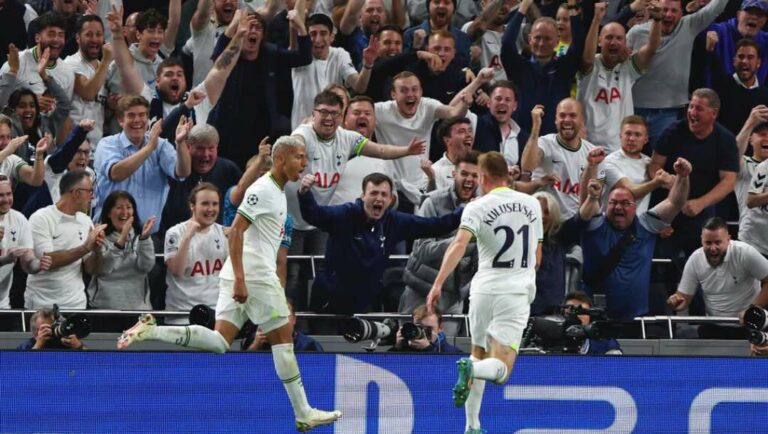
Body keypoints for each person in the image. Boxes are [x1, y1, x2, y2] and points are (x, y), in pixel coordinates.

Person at [117, 136, 342, 432]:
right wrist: (241, 279)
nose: (304, 163)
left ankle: (150, 330)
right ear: (280, 159)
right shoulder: (262, 189)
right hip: (254, 275)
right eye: (299, 157)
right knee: (284, 340)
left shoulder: (276, 191)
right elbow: (236, 232)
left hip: (243, 273)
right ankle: (303, 412)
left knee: (220, 342)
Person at [426, 151, 543, 434]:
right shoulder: (532, 204)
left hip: (483, 290)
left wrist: (438, 283)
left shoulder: (476, 206)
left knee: (478, 353)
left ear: (483, 177)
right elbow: (537, 256)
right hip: (514, 292)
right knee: (500, 370)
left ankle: (472, 426)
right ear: (507, 174)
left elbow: (458, 244)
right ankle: (473, 372)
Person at [299, 171, 463, 314]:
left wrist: (466, 210)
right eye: (374, 193)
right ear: (363, 195)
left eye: (384, 194)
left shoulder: (394, 221)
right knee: (325, 348)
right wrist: (305, 193)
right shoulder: (345, 214)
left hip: (364, 303)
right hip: (329, 301)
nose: (379, 198)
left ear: (391, 199)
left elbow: (435, 225)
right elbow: (314, 215)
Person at [581, 158, 691, 321]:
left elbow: (675, 203)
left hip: (636, 318)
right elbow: (585, 202)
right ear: (606, 205)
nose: (618, 207)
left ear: (635, 207)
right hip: (596, 317)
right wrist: (591, 168)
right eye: (613, 203)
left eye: (625, 203)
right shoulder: (596, 224)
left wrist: (683, 177)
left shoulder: (646, 224)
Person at [647, 88, 738, 257]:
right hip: (668, 205)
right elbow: (654, 165)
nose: (692, 113)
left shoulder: (725, 139)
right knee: (663, 261)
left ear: (714, 113)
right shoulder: (673, 131)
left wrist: (700, 203)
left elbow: (728, 182)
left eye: (699, 109)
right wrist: (663, 178)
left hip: (701, 209)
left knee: (702, 259)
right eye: (691, 107)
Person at [626, 0, 728, 143]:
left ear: (681, 13)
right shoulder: (636, 32)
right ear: (653, 10)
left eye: (674, 11)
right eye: (664, 10)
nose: (668, 14)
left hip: (669, 112)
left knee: (661, 161)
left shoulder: (688, 26)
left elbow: (715, 8)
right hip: (634, 109)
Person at [401, 151, 479, 335]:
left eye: (475, 175)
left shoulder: (483, 207)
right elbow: (422, 250)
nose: (469, 179)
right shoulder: (433, 202)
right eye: (464, 174)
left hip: (453, 297)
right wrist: (462, 242)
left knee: (444, 353)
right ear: (454, 174)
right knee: (409, 345)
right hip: (421, 289)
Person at [93, 95, 191, 234]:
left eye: (142, 115)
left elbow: (183, 172)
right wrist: (149, 148)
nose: (137, 120)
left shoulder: (161, 145)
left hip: (148, 236)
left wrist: (180, 144)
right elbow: (116, 173)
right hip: (109, 235)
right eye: (131, 115)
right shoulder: (107, 144)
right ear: (121, 120)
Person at [578, 1, 661, 152]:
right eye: (609, 37)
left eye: (619, 38)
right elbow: (587, 59)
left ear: (625, 42)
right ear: (600, 41)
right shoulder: (590, 64)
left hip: (619, 150)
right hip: (588, 147)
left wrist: (657, 20)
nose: (614, 42)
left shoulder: (628, 67)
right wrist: (596, 19)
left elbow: (652, 47)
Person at [668, 217, 768, 338]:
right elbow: (683, 298)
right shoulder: (695, 259)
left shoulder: (745, 252)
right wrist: (675, 301)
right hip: (713, 325)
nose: (713, 248)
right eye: (708, 243)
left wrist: (752, 309)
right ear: (702, 241)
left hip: (748, 325)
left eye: (718, 242)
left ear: (728, 239)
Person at [500, 0, 584, 135]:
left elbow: (579, 43)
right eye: (537, 38)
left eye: (547, 38)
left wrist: (572, 8)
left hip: (555, 141)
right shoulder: (518, 67)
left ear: (557, 41)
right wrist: (523, 8)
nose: (541, 43)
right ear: (529, 39)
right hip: (521, 138)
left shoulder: (564, 68)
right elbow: (507, 42)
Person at [27, 169, 105, 309]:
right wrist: (85, 248)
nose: (92, 197)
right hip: (43, 306)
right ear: (76, 193)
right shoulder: (41, 218)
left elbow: (92, 270)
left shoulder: (86, 221)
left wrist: (97, 251)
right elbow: (47, 262)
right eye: (90, 191)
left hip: (76, 304)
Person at [520, 99, 604, 219]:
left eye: (573, 116)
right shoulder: (545, 142)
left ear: (582, 120)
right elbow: (527, 166)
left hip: (574, 222)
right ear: (556, 120)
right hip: (545, 219)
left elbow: (595, 198)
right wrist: (536, 126)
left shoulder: (592, 152)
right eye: (562, 115)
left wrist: (592, 166)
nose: (567, 120)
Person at [164, 183, 228, 325]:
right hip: (182, 316)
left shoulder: (223, 233)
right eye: (205, 203)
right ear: (192, 206)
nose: (210, 209)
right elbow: (177, 270)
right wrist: (187, 237)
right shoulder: (175, 233)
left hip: (215, 315)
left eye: (215, 204)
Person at [162, 124, 242, 231]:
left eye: (211, 148)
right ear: (189, 147)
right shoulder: (175, 168)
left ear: (217, 147)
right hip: (177, 235)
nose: (205, 154)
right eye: (200, 148)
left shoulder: (229, 169)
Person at [87, 190, 155, 316]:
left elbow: (146, 266)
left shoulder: (141, 237)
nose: (124, 212)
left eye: (128, 207)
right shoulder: (100, 237)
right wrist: (121, 241)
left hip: (139, 309)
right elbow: (103, 269)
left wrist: (145, 239)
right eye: (119, 207)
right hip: (104, 309)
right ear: (108, 213)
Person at [602, 115, 673, 213]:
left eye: (637, 135)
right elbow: (629, 193)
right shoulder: (609, 162)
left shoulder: (649, 163)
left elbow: (669, 186)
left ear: (646, 139)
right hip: (613, 222)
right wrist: (656, 182)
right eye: (628, 133)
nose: (631, 138)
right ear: (620, 136)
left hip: (640, 223)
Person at [0, 176, 51, 308]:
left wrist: (38, 264)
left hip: (2, 303)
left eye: (8, 194)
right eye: (0, 195)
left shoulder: (19, 219)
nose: (6, 200)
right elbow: (6, 259)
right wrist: (6, 259)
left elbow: (28, 262)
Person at [63, 14, 111, 145]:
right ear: (78, 37)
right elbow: (88, 93)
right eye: (89, 34)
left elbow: (99, 106)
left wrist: (111, 105)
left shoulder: (104, 68)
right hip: (74, 146)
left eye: (99, 34)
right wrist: (106, 60)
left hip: (97, 145)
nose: (94, 39)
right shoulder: (70, 63)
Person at [474, 80, 530, 166]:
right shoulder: (477, 124)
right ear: (489, 102)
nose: (502, 103)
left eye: (507, 100)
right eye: (498, 99)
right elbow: (453, 112)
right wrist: (478, 80)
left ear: (515, 106)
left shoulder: (523, 137)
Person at [246, 299, 323, 352]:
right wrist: (255, 346)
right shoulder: (255, 340)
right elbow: (242, 370)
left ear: (294, 319)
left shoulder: (309, 345)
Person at [563, 291, 623, 355]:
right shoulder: (553, 341)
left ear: (590, 317)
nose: (576, 317)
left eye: (581, 312)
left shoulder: (606, 344)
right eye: (570, 313)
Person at [390, 305, 463, 352]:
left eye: (428, 329)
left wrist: (428, 349)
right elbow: (384, 372)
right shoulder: (404, 349)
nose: (422, 332)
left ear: (440, 327)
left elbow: (442, 373)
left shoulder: (453, 353)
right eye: (418, 327)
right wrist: (397, 348)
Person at [17, 308, 85, 350]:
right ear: (35, 333)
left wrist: (79, 346)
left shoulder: (67, 342)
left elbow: (92, 362)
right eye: (46, 328)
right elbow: (22, 368)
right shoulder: (27, 346)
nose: (52, 331)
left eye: (55, 326)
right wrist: (38, 345)